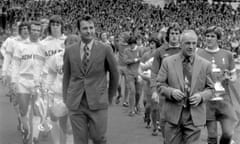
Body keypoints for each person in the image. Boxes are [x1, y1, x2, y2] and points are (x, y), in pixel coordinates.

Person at [63, 15, 119, 144]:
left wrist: (109, 97)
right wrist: (66, 97)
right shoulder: (70, 50)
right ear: (78, 31)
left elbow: (115, 74)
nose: (89, 31)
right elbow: (66, 76)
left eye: (91, 28)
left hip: (98, 101)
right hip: (76, 102)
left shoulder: (105, 49)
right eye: (85, 28)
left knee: (98, 138)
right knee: (80, 140)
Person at [156, 30, 214, 144]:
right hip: (173, 117)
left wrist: (201, 96)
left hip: (194, 117)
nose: (191, 47)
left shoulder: (205, 64)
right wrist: (171, 92)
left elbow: (211, 89)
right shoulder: (168, 62)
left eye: (194, 43)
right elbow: (159, 85)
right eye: (188, 43)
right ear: (181, 43)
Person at [197, 26, 238, 144]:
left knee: (228, 133)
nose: (209, 38)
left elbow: (234, 77)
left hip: (224, 101)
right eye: (207, 36)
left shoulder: (228, 54)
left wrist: (229, 78)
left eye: (212, 36)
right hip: (207, 102)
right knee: (212, 137)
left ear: (218, 39)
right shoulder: (198, 53)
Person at [11, 21, 45, 144]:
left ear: (41, 32)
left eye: (38, 30)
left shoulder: (43, 46)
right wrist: (13, 81)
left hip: (38, 82)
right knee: (23, 110)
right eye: (34, 30)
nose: (36, 32)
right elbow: (15, 64)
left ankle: (35, 137)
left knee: (36, 110)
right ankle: (26, 130)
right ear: (29, 30)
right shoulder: (20, 46)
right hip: (23, 81)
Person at [45, 34, 79, 144]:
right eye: (70, 44)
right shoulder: (56, 58)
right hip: (59, 96)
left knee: (71, 128)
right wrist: (47, 90)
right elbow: (51, 74)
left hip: (76, 97)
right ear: (64, 45)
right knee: (62, 124)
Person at [151, 23, 182, 138]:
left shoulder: (184, 49)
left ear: (180, 36)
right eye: (172, 33)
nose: (174, 36)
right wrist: (154, 90)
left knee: (180, 124)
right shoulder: (160, 51)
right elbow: (154, 72)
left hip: (181, 92)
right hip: (164, 92)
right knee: (165, 125)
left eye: (177, 33)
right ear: (168, 35)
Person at [123, 36, 143, 116]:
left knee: (138, 93)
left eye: (133, 44)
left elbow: (142, 58)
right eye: (130, 44)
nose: (131, 46)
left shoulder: (139, 50)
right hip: (129, 73)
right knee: (132, 91)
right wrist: (134, 60)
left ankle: (136, 106)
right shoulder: (126, 50)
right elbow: (125, 61)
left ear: (135, 43)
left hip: (138, 73)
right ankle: (131, 110)